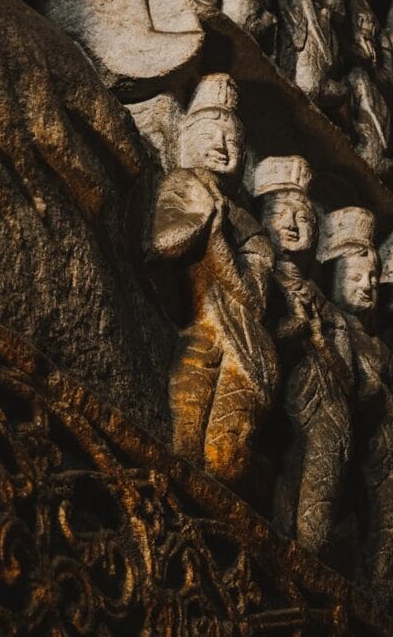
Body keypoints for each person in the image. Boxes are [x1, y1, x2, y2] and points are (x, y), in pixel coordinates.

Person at [147, 73, 278, 487]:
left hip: (245, 346)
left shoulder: (251, 230)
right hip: (195, 331)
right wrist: (202, 215)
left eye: (232, 141)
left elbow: (254, 302)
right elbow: (162, 244)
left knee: (224, 457)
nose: (222, 147)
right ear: (187, 140)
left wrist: (218, 236)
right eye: (210, 134)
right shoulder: (181, 185)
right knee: (183, 436)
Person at [253, 156, 354, 556]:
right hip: (269, 394)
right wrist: (297, 327)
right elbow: (258, 329)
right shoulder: (261, 272)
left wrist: (317, 334)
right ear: (262, 220)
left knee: (315, 490)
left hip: (319, 411)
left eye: (305, 218)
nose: (294, 225)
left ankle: (307, 561)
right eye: (282, 215)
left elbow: (346, 378)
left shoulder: (328, 309)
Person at [318, 206, 393, 598]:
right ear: (332, 274)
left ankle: (377, 579)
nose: (366, 286)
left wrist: (386, 399)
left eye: (373, 280)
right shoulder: (327, 318)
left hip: (385, 461)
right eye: (355, 276)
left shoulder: (390, 362)